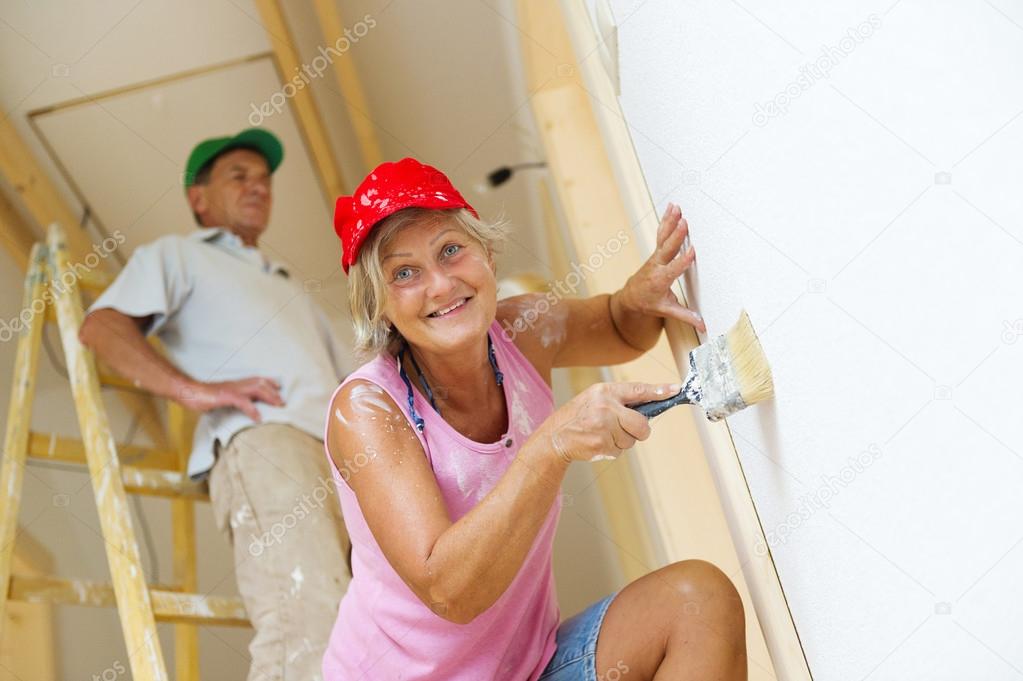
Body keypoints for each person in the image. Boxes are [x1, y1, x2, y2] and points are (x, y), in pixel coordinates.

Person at [322, 157, 747, 680]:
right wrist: (551, 445)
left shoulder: (523, 328)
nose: (439, 284)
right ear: (379, 305)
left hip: (528, 669)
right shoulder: (367, 411)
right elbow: (449, 591)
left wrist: (639, 297)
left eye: (451, 250)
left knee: (696, 602)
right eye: (404, 273)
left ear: (488, 254)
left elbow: (617, 325)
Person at [79, 128, 351, 680]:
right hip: (268, 443)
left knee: (357, 634)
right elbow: (102, 327)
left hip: (342, 465)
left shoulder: (290, 287)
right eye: (239, 175)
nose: (259, 187)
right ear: (198, 198)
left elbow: (355, 381)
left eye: (265, 179)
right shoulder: (177, 255)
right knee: (305, 622)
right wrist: (196, 392)